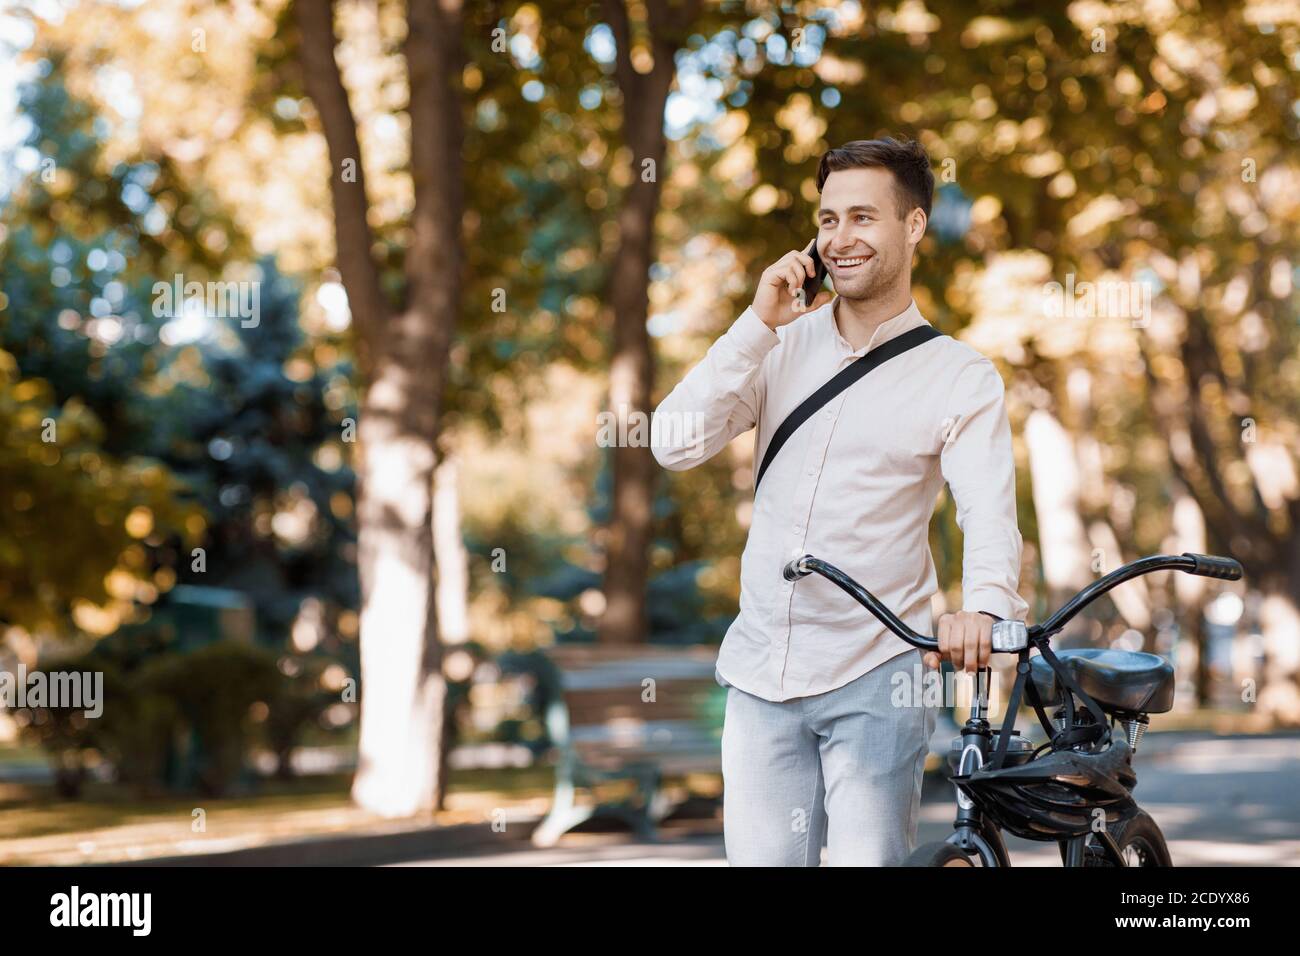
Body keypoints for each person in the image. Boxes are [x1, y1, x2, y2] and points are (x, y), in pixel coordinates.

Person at [650, 137, 1028, 866]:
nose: (840, 238)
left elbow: (987, 509)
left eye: (863, 217)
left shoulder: (958, 376)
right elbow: (672, 443)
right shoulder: (775, 346)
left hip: (878, 672)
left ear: (913, 226)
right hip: (761, 669)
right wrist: (756, 325)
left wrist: (983, 607)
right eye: (827, 220)